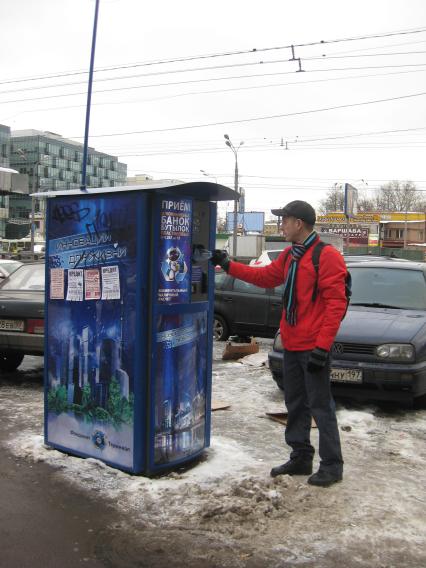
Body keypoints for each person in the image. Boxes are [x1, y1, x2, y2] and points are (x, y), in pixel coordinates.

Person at [210, 200, 347, 487]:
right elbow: (264, 277)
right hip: (292, 344)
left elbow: (336, 304)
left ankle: (332, 465)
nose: (281, 225)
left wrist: (323, 347)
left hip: (313, 347)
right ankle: (301, 457)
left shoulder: (327, 256)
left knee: (320, 406)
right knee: (295, 403)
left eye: (284, 220)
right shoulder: (290, 256)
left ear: (299, 223)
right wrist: (228, 265)